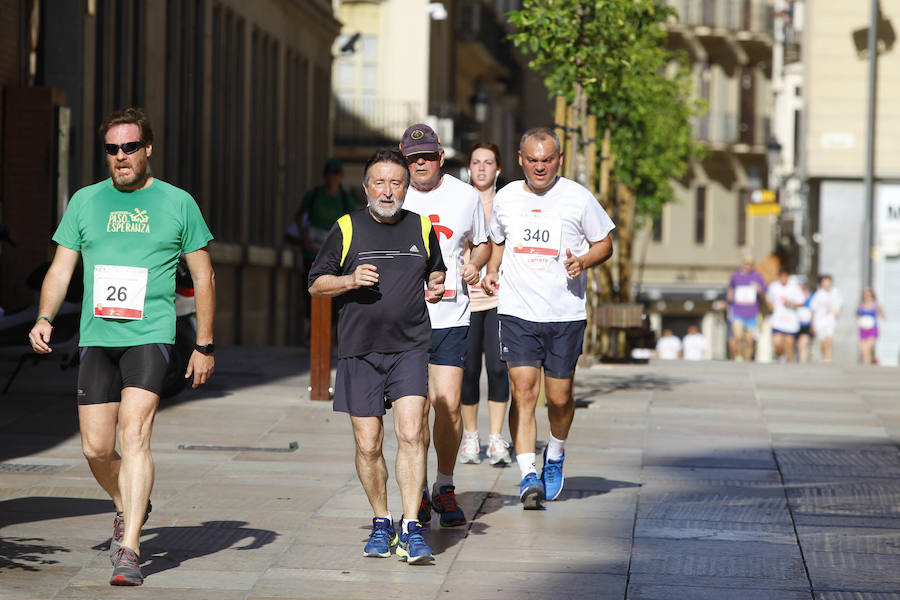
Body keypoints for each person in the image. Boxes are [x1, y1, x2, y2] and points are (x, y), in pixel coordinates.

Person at [27, 107, 216, 586]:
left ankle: (129, 547)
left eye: (130, 147)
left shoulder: (177, 203)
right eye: (112, 149)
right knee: (94, 447)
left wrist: (205, 345)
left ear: (147, 148)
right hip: (97, 337)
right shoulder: (85, 202)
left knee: (135, 435)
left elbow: (204, 275)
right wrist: (45, 317)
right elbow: (60, 269)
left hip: (149, 334)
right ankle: (129, 500)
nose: (121, 157)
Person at [308, 148, 446, 564]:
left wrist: (437, 282)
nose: (388, 191)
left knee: (411, 434)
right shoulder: (347, 228)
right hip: (359, 351)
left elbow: (435, 271)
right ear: (367, 186)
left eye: (396, 183)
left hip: (410, 347)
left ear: (407, 188)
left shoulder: (421, 228)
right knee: (368, 445)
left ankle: (411, 528)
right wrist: (349, 280)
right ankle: (381, 521)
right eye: (380, 183)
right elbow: (316, 284)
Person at [481, 127, 615, 509]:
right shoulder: (505, 198)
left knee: (559, 399)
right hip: (518, 311)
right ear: (520, 159)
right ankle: (527, 474)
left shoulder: (577, 198)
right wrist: (493, 269)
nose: (540, 167)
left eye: (548, 160)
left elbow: (604, 242)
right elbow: (498, 241)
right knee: (523, 391)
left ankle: (555, 452)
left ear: (559, 160)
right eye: (533, 159)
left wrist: (583, 260)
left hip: (565, 314)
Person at [398, 124, 490, 527]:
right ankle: (417, 492)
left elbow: (484, 241)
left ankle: (445, 485)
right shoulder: (393, 194)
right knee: (414, 414)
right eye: (412, 157)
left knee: (448, 404)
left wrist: (474, 263)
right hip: (404, 319)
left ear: (440, 157)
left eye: (426, 156)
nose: (420, 164)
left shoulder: (465, 195)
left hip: (451, 316)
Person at [458, 142, 512, 466]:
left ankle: (495, 439)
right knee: (467, 370)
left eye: (488, 162)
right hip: (464, 296)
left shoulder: (507, 204)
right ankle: (469, 438)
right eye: (475, 162)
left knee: (496, 367)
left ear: (498, 169)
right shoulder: (460, 201)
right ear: (468, 168)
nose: (481, 168)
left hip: (501, 297)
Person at [726, 254, 767, 361]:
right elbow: (730, 288)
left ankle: (747, 359)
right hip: (738, 311)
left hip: (752, 313)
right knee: (738, 337)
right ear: (742, 264)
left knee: (750, 341)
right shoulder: (735, 276)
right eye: (746, 264)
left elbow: (764, 295)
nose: (748, 266)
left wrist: (760, 291)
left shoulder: (758, 276)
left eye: (750, 264)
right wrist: (729, 296)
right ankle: (738, 356)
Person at [766, 268, 805, 363]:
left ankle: (789, 363)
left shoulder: (794, 287)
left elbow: (801, 302)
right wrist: (771, 307)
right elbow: (768, 299)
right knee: (777, 341)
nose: (783, 278)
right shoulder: (773, 286)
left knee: (789, 343)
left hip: (790, 319)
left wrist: (791, 303)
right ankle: (781, 356)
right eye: (781, 276)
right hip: (778, 318)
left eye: (785, 276)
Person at [809, 274, 842, 364]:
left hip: (830, 319)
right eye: (825, 281)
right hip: (820, 320)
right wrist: (812, 323)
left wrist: (838, 311)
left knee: (828, 340)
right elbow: (813, 309)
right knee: (823, 341)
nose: (827, 283)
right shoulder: (819, 294)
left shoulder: (836, 292)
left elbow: (840, 304)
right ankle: (824, 358)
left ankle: (828, 360)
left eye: (828, 281)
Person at [857, 286, 885, 365]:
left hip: (872, 329)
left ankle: (867, 366)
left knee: (867, 348)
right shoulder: (861, 305)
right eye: (866, 295)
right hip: (863, 329)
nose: (867, 297)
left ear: (872, 296)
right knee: (862, 350)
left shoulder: (876, 305)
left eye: (869, 295)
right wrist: (859, 320)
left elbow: (882, 315)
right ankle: (870, 362)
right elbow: (857, 316)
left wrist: (880, 313)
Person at [796, 282, 814, 364]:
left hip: (807, 325)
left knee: (803, 344)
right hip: (794, 324)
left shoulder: (812, 297)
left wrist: (813, 324)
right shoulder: (794, 296)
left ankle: (803, 364)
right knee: (799, 345)